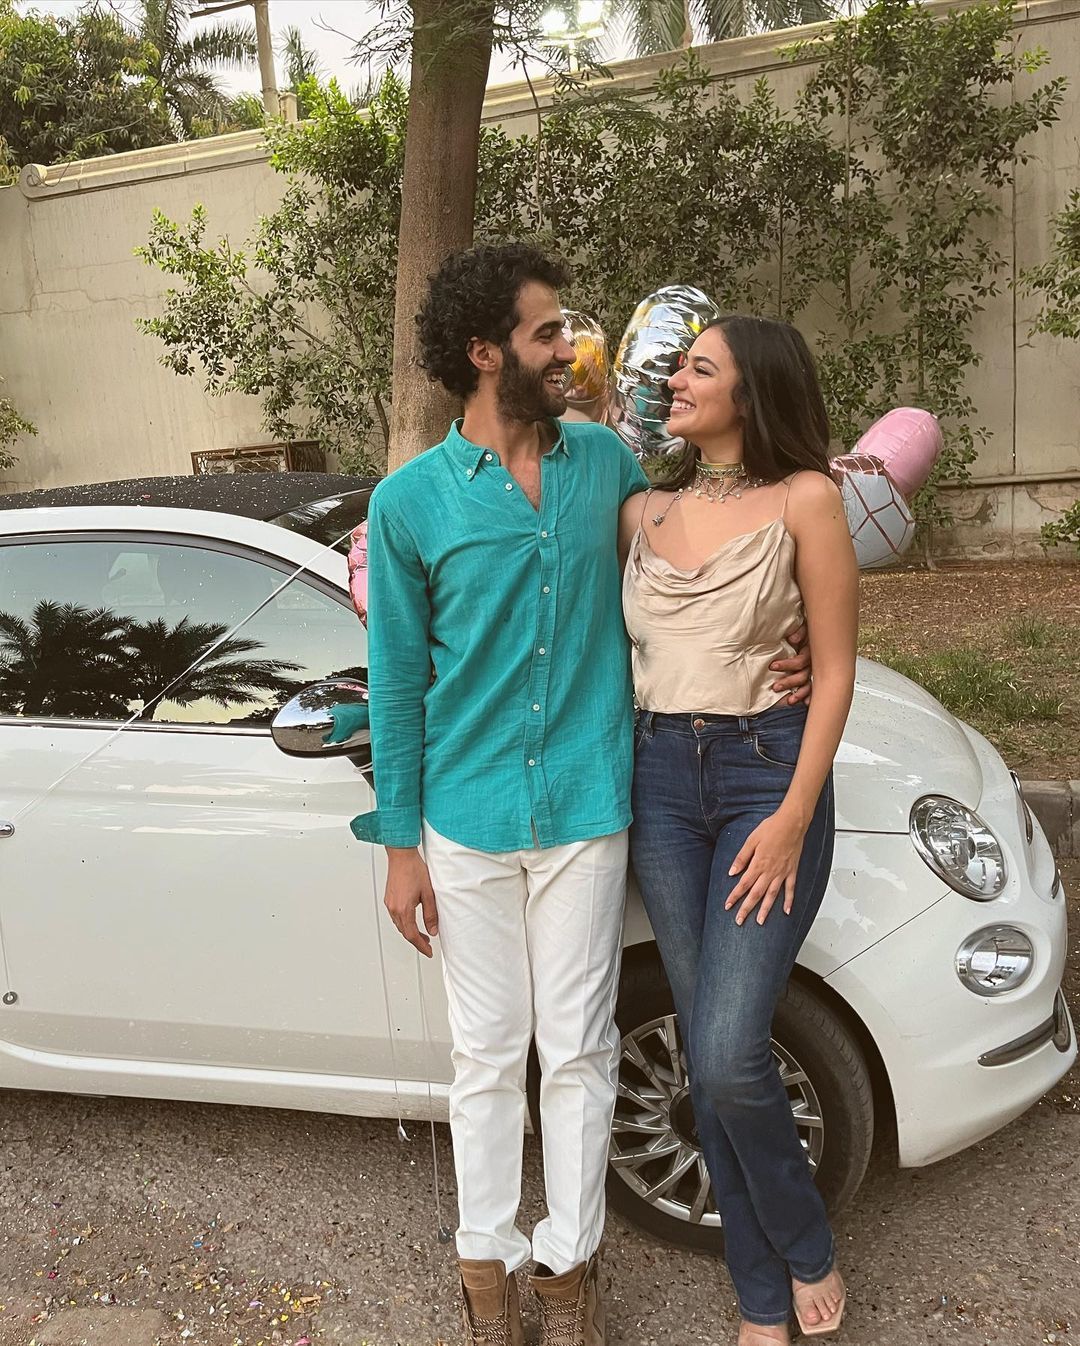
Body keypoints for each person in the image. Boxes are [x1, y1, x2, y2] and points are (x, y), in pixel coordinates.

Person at [352, 245, 813, 1346]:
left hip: (588, 805)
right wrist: (401, 844)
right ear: (485, 352)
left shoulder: (605, 463)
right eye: (548, 332)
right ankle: (486, 1267)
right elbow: (396, 683)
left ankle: (566, 1267)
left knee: (578, 1047)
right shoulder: (408, 503)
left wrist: (785, 637)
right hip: (465, 816)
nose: (572, 347)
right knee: (485, 1052)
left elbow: (698, 553)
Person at [620, 315, 858, 1345]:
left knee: (724, 1055)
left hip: (768, 776)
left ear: (750, 393)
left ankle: (804, 1244)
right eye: (678, 364)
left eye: (699, 367)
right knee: (704, 1050)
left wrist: (795, 814)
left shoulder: (807, 498)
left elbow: (835, 670)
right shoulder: (641, 510)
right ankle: (762, 1293)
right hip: (660, 780)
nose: (676, 377)